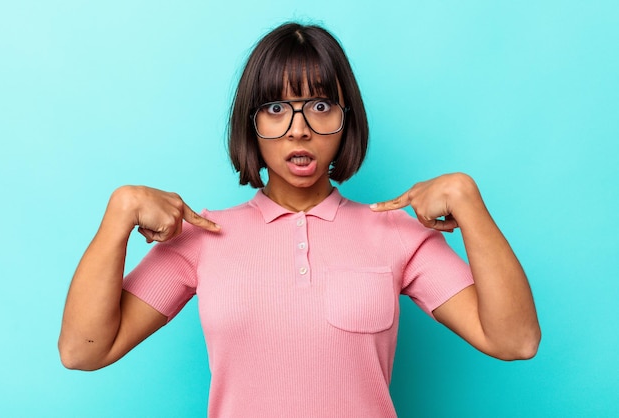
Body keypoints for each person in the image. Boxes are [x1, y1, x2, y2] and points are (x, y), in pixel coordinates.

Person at [58, 22, 541, 417]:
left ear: (346, 119)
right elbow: (84, 350)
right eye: (275, 109)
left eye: (320, 106)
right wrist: (119, 214)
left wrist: (469, 203)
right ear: (252, 123)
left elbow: (515, 340)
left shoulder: (397, 235)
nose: (300, 130)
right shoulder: (202, 240)